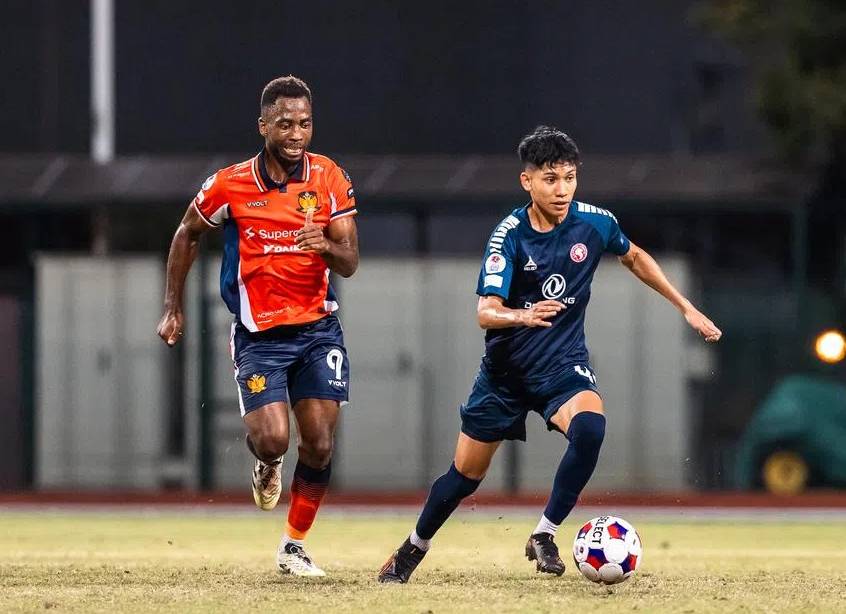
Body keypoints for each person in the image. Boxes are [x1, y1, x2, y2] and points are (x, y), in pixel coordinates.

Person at [378, 126, 720, 583]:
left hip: (561, 366)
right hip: (504, 375)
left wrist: (687, 307)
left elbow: (634, 256)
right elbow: (485, 313)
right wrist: (522, 316)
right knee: (464, 478)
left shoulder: (596, 222)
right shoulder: (509, 237)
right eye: (550, 179)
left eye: (570, 178)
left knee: (591, 428)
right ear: (527, 182)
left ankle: (544, 533)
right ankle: (412, 550)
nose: (562, 190)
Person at [158, 75, 359, 577]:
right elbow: (186, 234)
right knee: (274, 439)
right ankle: (267, 464)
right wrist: (172, 306)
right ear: (264, 125)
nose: (297, 133)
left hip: (317, 329)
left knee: (319, 443)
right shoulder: (229, 184)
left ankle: (293, 546)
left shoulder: (330, 178)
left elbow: (351, 259)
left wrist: (326, 247)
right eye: (286, 123)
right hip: (259, 335)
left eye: (306, 123)